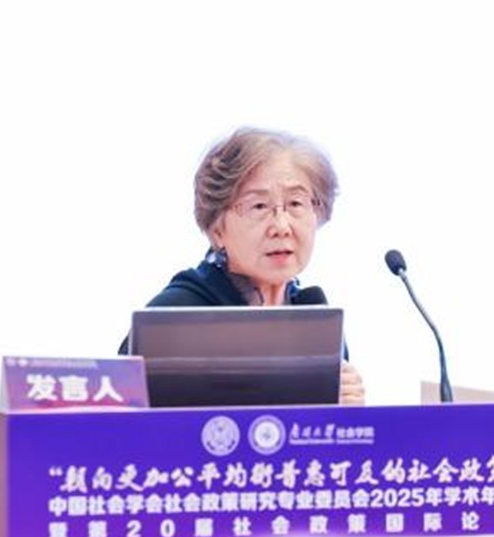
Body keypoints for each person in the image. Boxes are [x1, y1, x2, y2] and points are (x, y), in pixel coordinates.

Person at [129, 127, 365, 405]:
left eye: (295, 203)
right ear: (217, 229)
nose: (281, 226)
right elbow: (117, 421)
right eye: (259, 206)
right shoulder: (174, 317)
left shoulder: (317, 326)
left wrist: (346, 412)